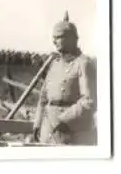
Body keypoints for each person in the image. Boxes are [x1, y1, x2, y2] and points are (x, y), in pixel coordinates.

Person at [30, 11, 97, 145]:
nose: (54, 41)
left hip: (71, 133)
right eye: (53, 37)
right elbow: (43, 99)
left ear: (72, 39)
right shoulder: (54, 64)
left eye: (58, 37)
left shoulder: (83, 64)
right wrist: (37, 122)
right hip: (48, 130)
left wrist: (63, 120)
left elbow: (88, 101)